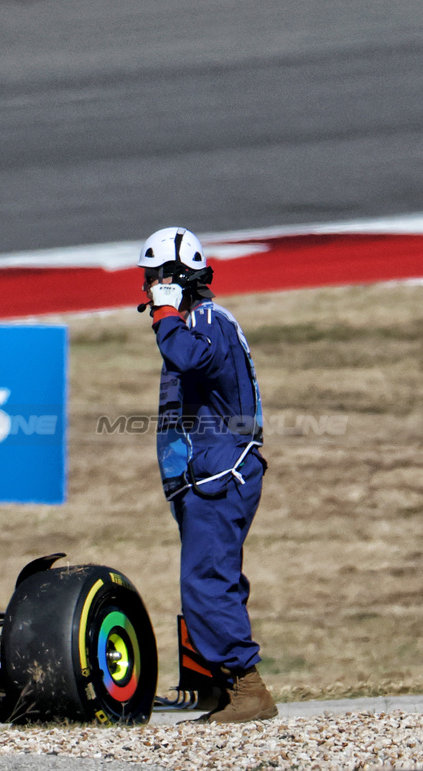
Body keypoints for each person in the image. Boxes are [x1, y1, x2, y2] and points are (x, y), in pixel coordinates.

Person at [138, 225, 277, 723]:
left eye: (154, 279)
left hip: (222, 473)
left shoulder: (205, 323)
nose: (148, 288)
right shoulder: (200, 320)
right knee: (217, 578)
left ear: (175, 278)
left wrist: (165, 312)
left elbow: (186, 355)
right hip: (211, 475)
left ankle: (248, 689)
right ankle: (227, 688)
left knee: (204, 582)